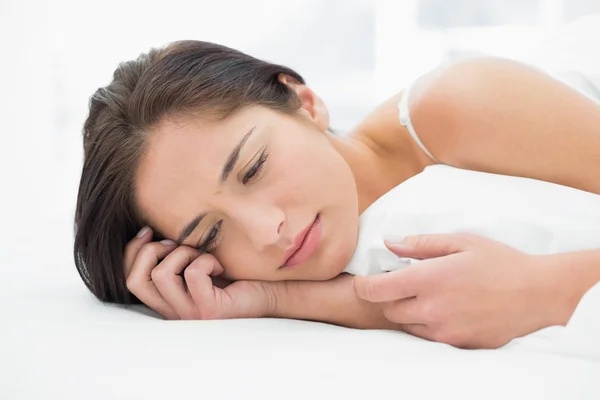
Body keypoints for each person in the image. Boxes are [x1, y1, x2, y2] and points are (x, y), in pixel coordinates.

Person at [74, 40, 600, 349]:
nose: (266, 231)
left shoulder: (460, 105)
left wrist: (546, 289)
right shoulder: (301, 265)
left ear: (304, 102)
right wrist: (266, 300)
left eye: (253, 168)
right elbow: (443, 299)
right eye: (209, 234)